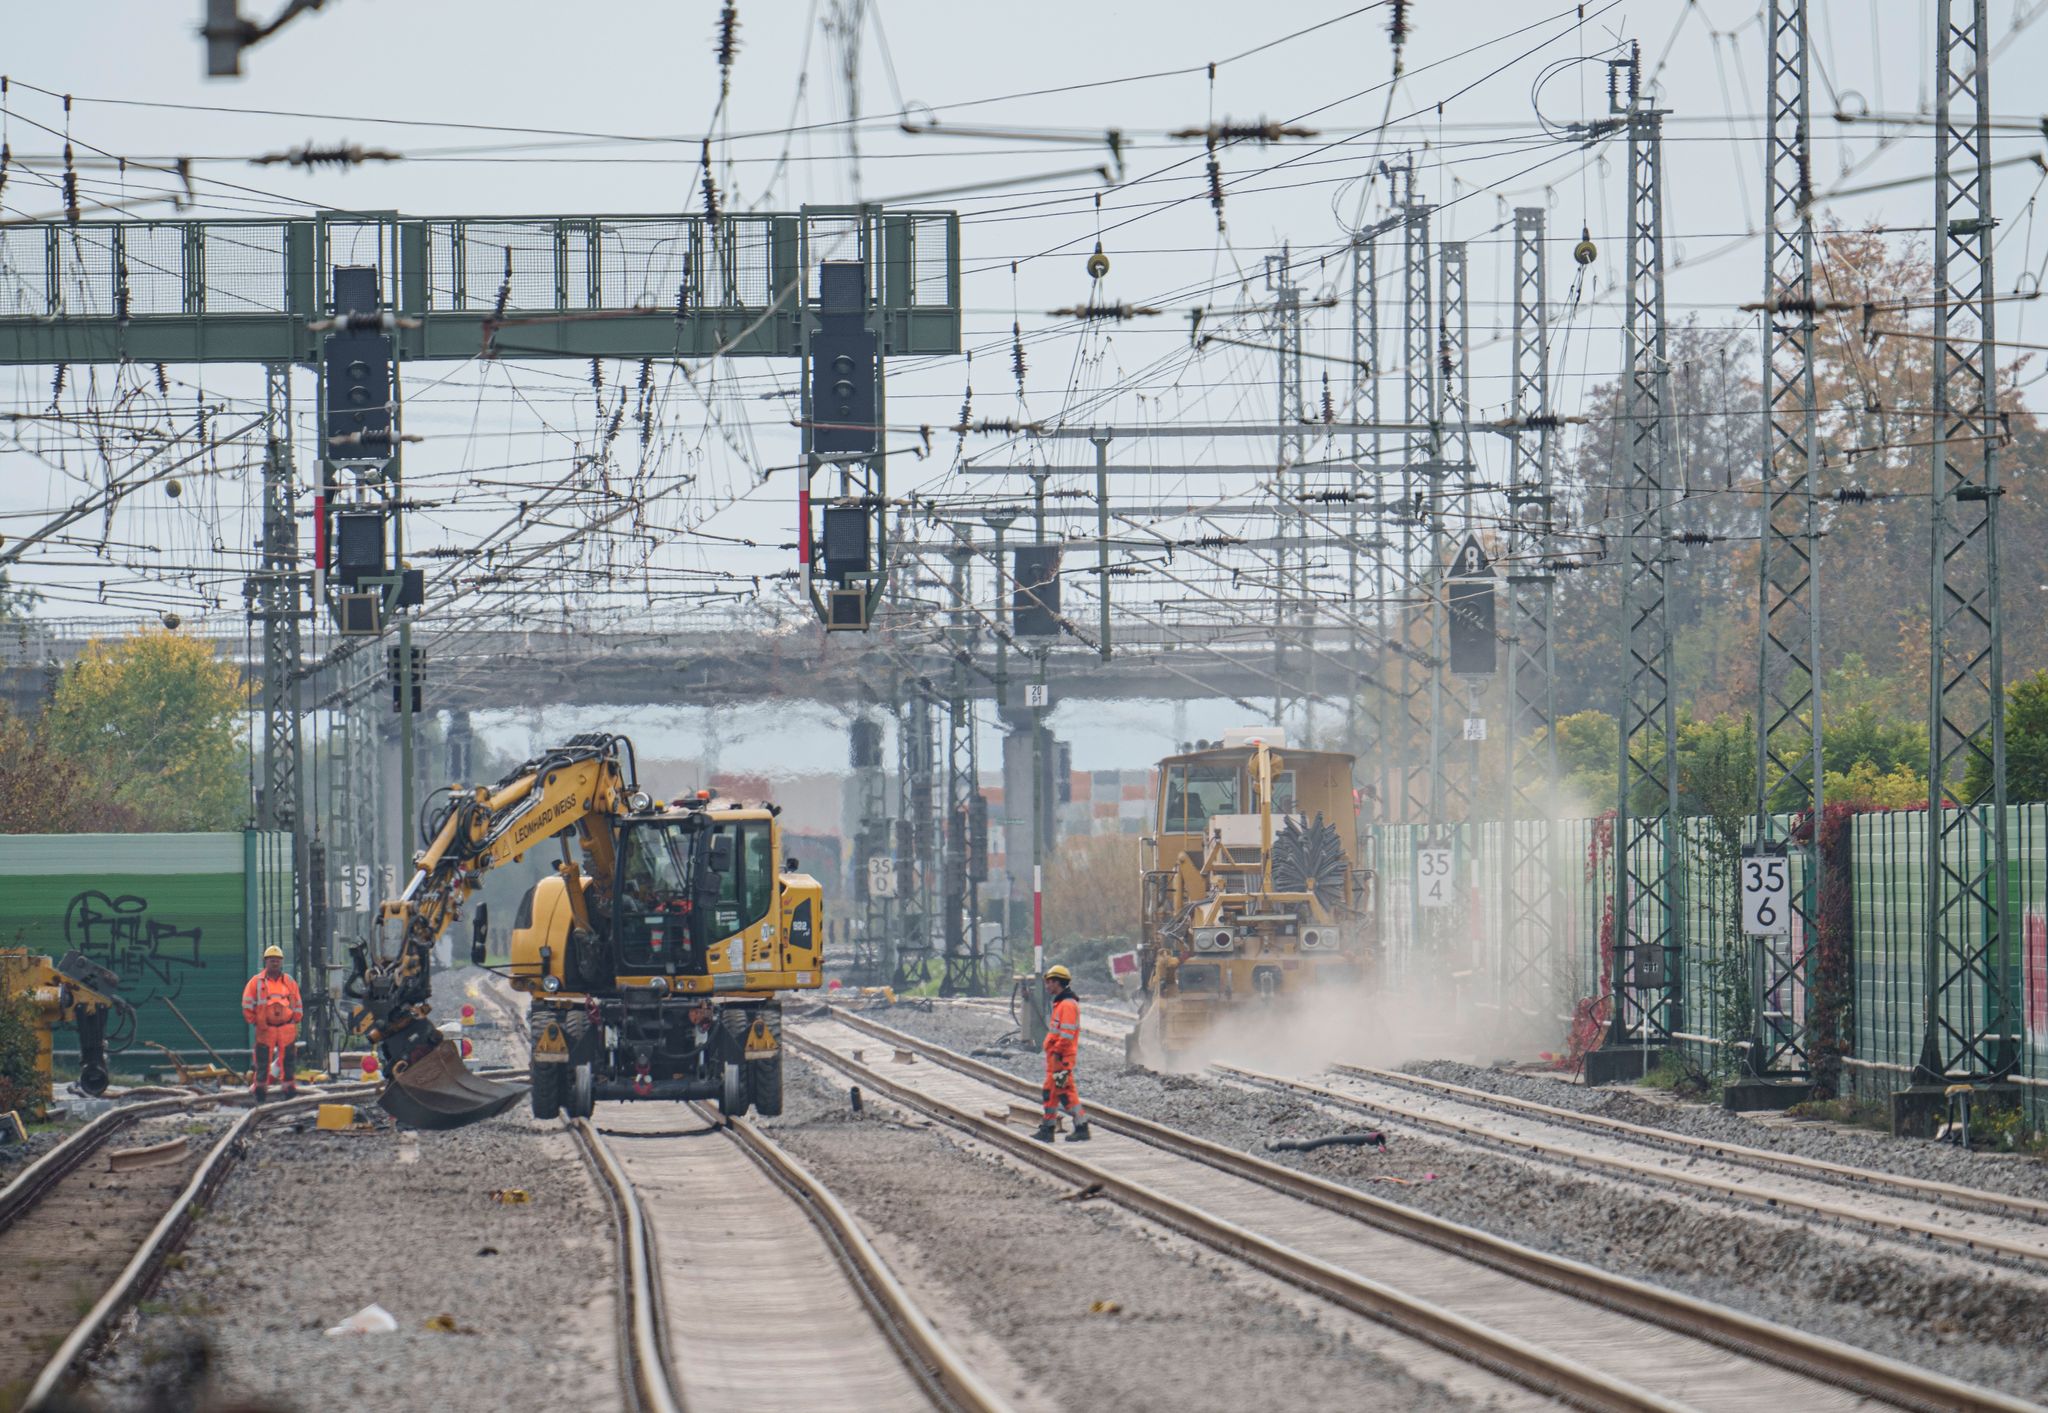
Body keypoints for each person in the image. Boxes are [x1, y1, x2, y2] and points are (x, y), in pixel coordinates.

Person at [1033, 964, 1091, 1143]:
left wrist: (1056, 1051)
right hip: (1056, 1058)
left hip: (1061, 1058)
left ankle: (1081, 1126)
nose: (1047, 986)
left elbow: (1066, 1035)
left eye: (1049, 982)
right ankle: (1048, 1128)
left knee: (1064, 1092)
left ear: (1057, 982)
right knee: (1051, 1092)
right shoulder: (1062, 1003)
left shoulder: (1067, 1005)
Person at [242, 945, 304, 1100]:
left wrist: (295, 1019)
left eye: (277, 960)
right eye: (271, 960)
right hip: (266, 1028)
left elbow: (297, 1002)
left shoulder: (289, 982)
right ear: (266, 962)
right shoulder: (256, 982)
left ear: (281, 962)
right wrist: (255, 1021)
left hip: (286, 1027)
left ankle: (289, 1088)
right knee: (262, 1060)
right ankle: (260, 1090)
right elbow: (247, 1003)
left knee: (288, 1059)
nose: (274, 963)